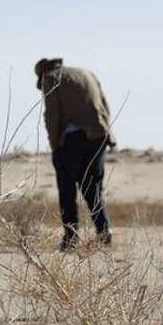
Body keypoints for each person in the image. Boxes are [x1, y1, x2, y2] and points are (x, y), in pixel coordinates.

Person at [35, 57, 116, 251]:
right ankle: (104, 231)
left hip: (70, 140)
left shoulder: (50, 78)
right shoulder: (87, 73)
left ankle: (71, 237)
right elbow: (106, 108)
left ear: (42, 73)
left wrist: (55, 144)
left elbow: (52, 114)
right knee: (93, 187)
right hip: (98, 137)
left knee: (67, 189)